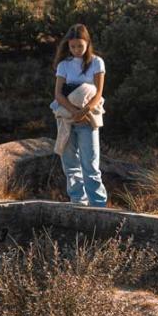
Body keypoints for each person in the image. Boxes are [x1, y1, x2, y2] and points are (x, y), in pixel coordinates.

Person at [51, 24, 107, 207]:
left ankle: (98, 204)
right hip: (67, 118)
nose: (76, 50)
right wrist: (74, 112)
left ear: (87, 44)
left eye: (80, 46)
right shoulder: (64, 65)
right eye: (73, 46)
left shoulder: (97, 62)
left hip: (88, 119)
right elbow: (58, 94)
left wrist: (85, 110)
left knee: (90, 164)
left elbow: (98, 92)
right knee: (70, 164)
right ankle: (77, 202)